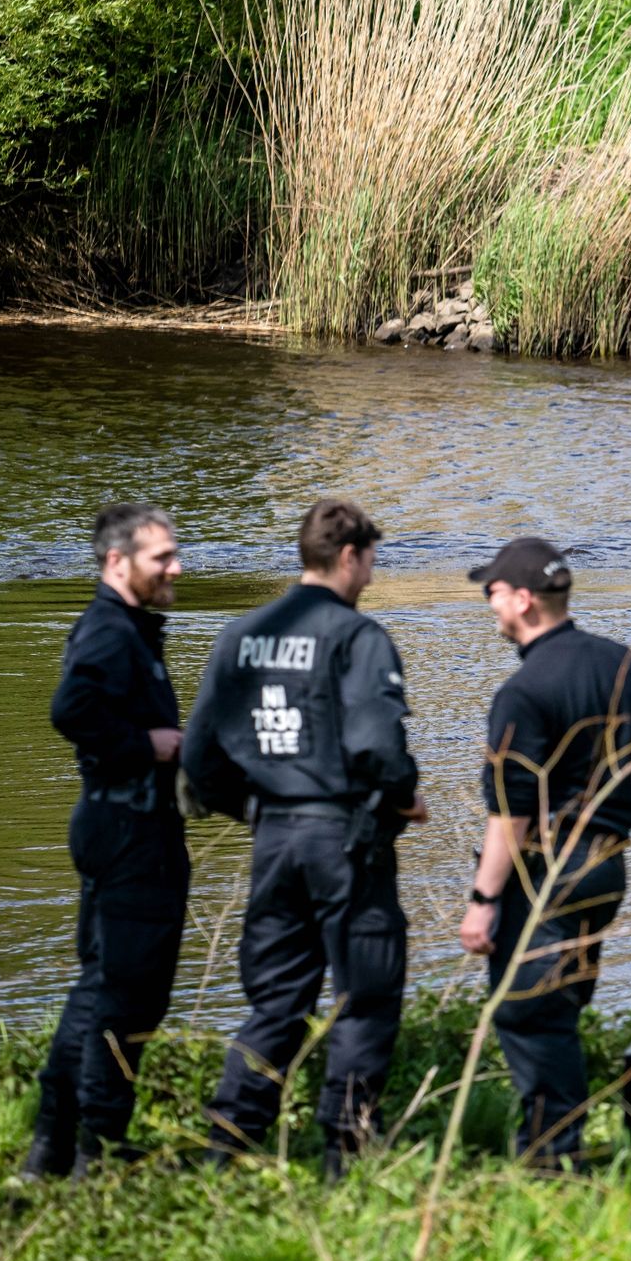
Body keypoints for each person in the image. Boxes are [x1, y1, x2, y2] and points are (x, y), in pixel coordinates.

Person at [181, 499, 425, 1178]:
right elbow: (379, 745)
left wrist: (260, 809)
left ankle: (227, 1143)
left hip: (275, 840)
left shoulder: (240, 636)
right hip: (348, 842)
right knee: (366, 993)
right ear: (348, 555)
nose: (372, 578)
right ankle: (345, 1154)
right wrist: (404, 797)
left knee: (277, 999)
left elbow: (200, 759)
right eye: (371, 562)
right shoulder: (358, 637)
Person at [460, 537, 631, 1164]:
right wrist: (622, 806)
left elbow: (509, 815)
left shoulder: (523, 691)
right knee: (561, 1002)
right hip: (605, 867)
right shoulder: (619, 663)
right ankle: (560, 1146)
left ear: (525, 601)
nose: (490, 605)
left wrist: (482, 901)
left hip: (548, 875)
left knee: (529, 1014)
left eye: (494, 594)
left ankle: (551, 1160)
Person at [25, 503, 192, 1179]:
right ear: (116, 562)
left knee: (101, 986)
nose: (177, 566)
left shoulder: (126, 627)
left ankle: (52, 1148)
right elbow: (70, 708)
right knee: (127, 996)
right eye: (162, 558)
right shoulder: (110, 630)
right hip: (128, 831)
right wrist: (143, 745)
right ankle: (99, 1151)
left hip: (116, 821)